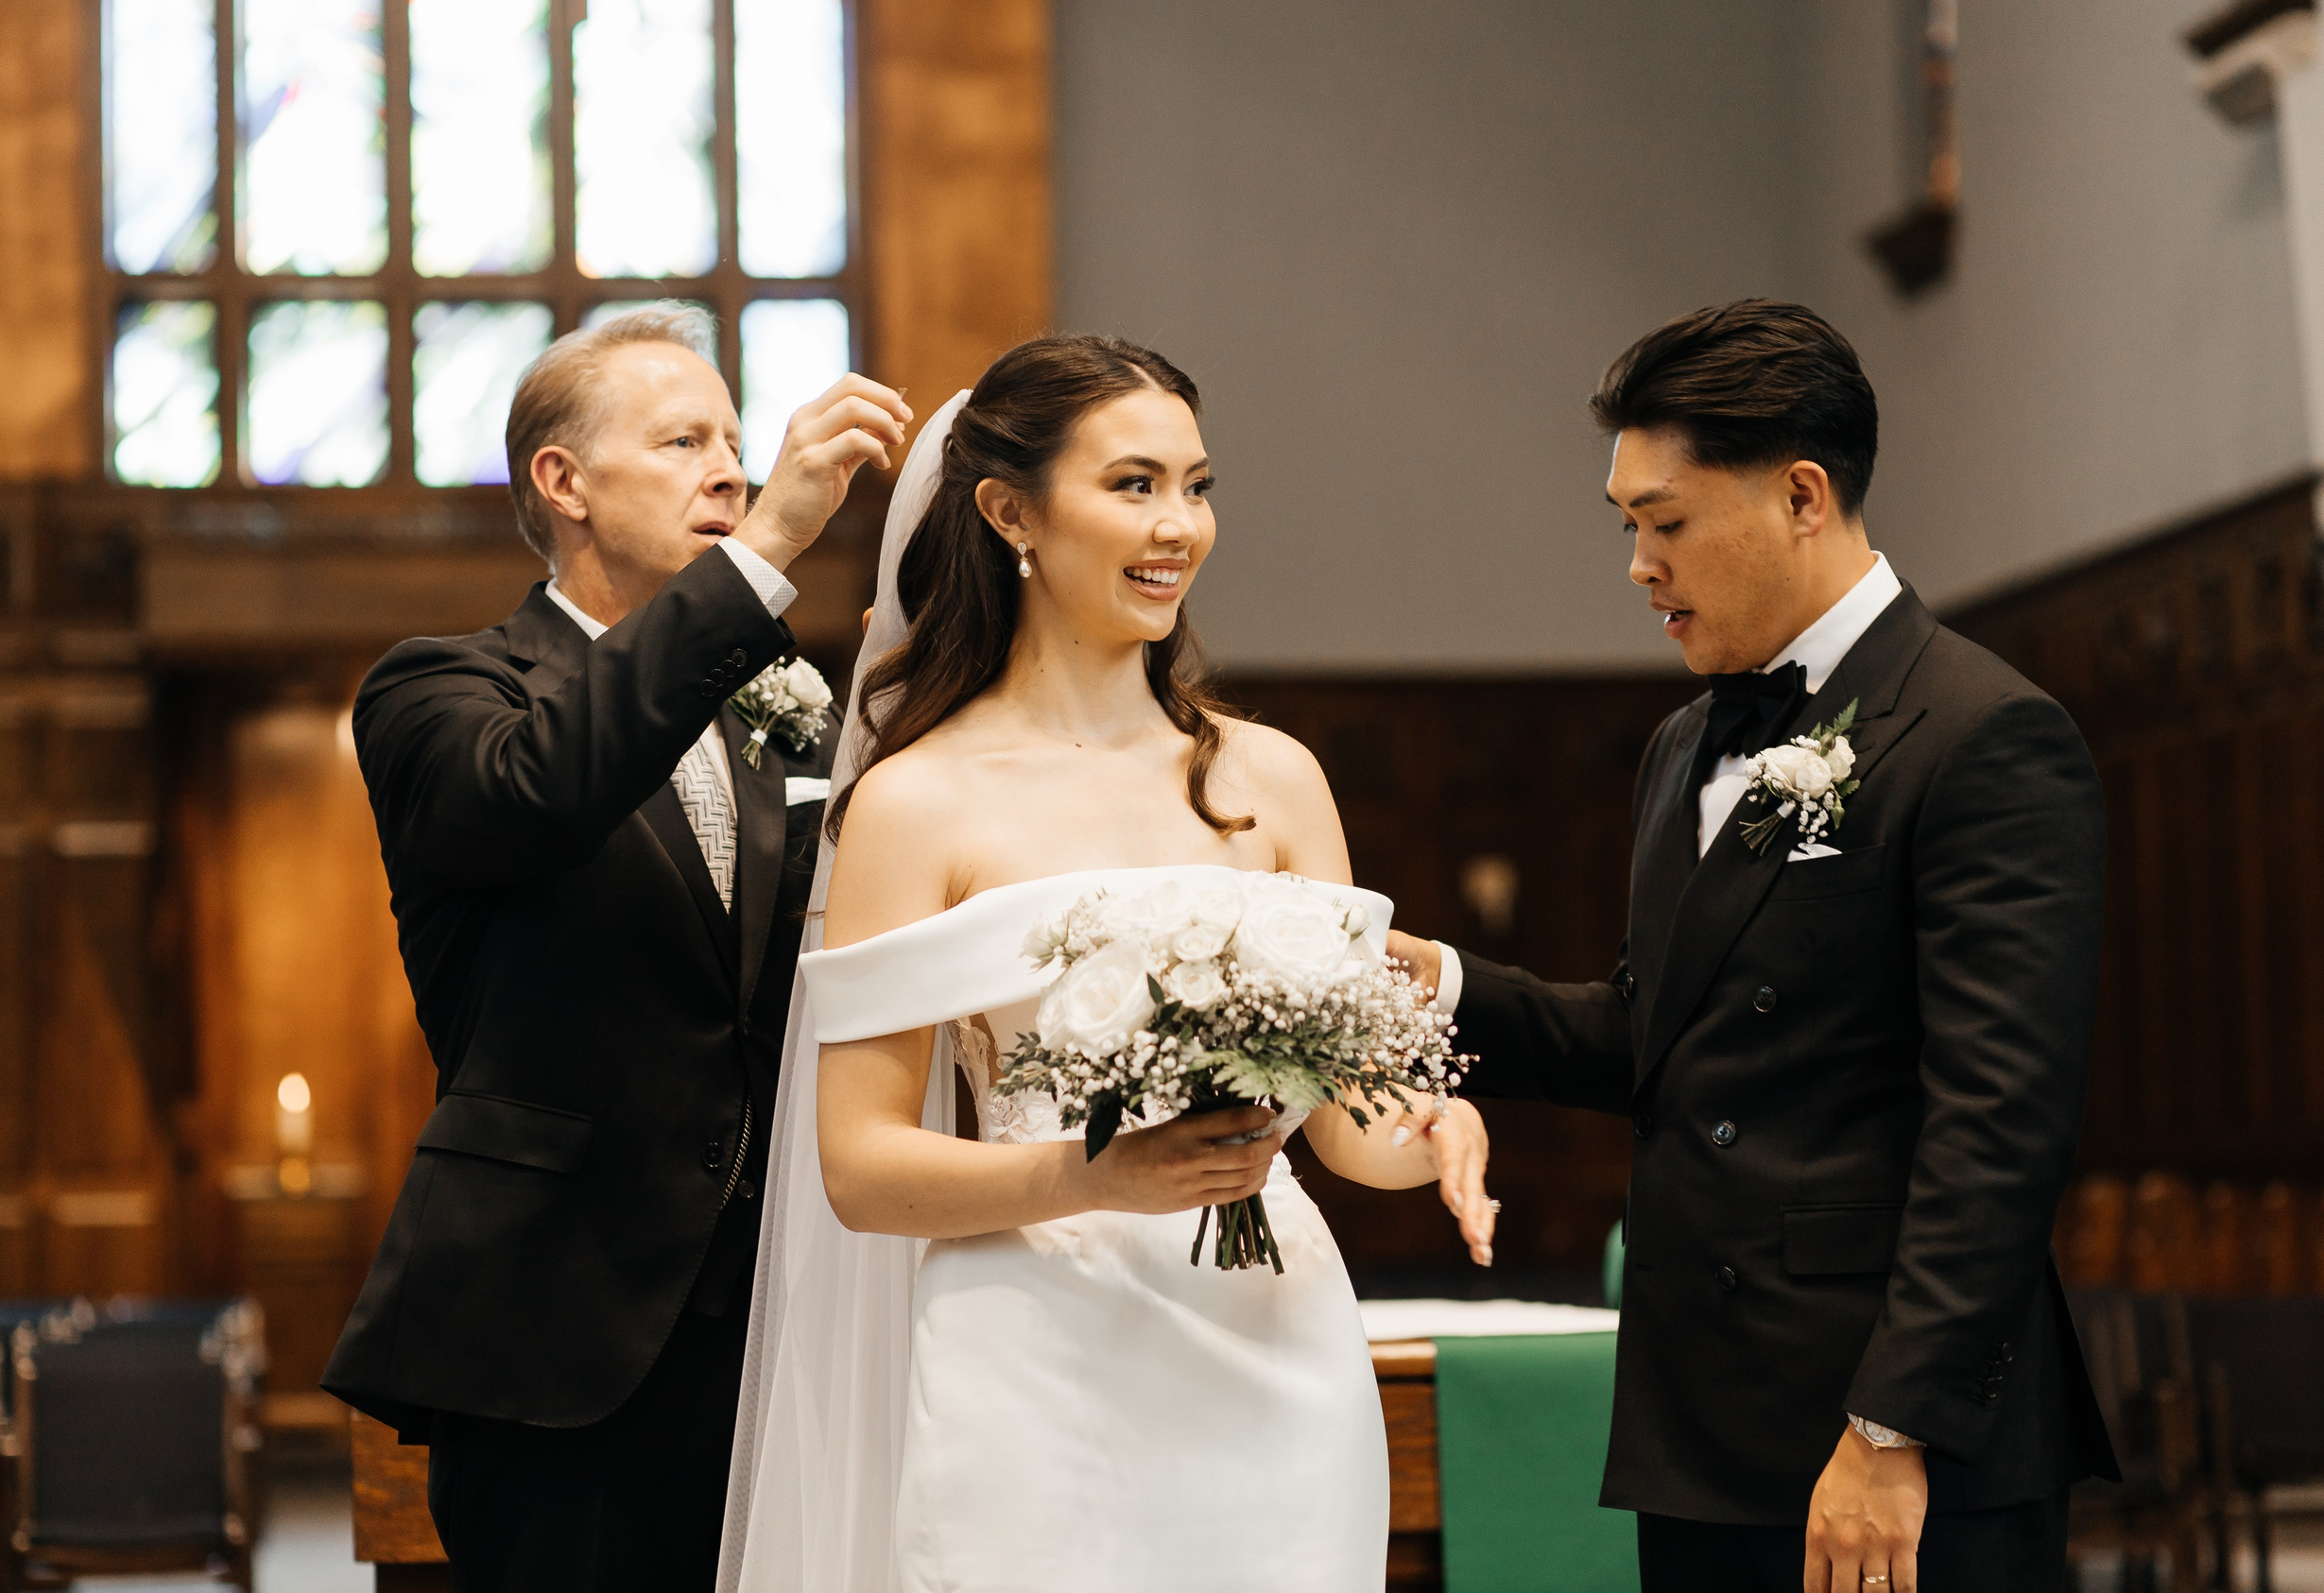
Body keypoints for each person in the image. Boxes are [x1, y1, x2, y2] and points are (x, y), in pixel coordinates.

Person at [717, 334, 1496, 1592]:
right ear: (1009, 511)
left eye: (1196, 485)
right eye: (1133, 485)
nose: (1178, 524)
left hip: (1273, 1347)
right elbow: (859, 1171)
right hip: (1033, 1351)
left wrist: (1429, 1130)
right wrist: (1102, 1173)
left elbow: (1346, 1122)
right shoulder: (917, 804)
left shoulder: (1275, 777)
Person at [1389, 300, 2120, 1592]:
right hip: (1707, 1422)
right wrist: (1435, 983)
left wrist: (1892, 1427)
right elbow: (1659, 1038)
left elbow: (1997, 1123)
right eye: (1628, 527)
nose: (1637, 565)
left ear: (1800, 496)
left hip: (1897, 1437)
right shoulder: (1684, 746)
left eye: (1664, 523)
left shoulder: (1981, 733)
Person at [319, 303, 912, 1591]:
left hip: (777, 1319)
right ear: (564, 481)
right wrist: (761, 556)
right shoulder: (445, 692)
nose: (730, 469)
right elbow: (543, 791)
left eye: (737, 442)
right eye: (684, 438)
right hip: (558, 1332)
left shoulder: (784, 716)